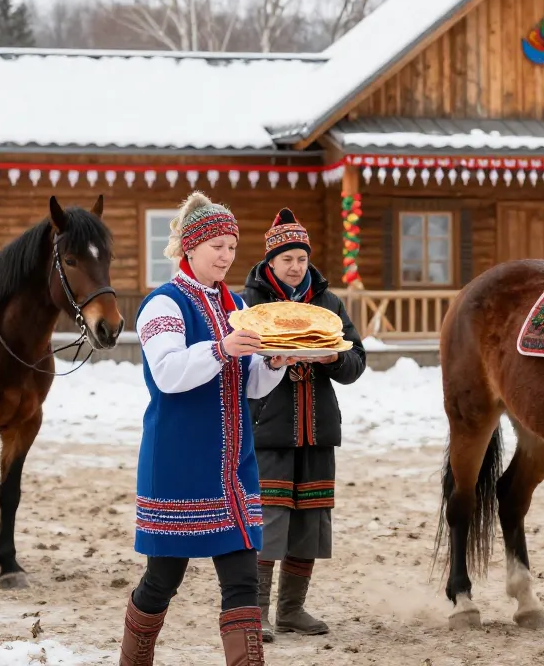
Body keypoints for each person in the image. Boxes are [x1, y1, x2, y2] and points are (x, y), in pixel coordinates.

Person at [118, 192, 305, 666]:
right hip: (179, 464)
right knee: (162, 580)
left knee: (242, 578)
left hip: (233, 465)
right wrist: (222, 348)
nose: (226, 256)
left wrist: (275, 362)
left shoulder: (237, 304)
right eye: (217, 246)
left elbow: (250, 384)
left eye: (231, 247)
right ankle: (133, 660)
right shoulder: (163, 304)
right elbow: (168, 373)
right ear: (190, 248)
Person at [241, 208, 366, 642]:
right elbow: (237, 363)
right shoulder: (250, 303)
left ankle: (292, 610)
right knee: (269, 521)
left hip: (318, 431)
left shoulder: (328, 303)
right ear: (270, 262)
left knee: (309, 523)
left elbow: (356, 361)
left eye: (301, 258)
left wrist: (332, 357)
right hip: (269, 429)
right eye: (287, 259)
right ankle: (254, 613)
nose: (296, 267)